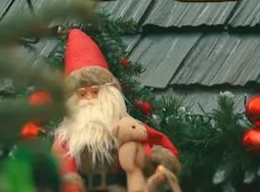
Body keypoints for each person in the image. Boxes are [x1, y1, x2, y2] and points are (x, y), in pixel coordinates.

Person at [53, 30, 179, 192]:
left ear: (109, 93)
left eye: (95, 92)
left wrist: (156, 162)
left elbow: (148, 147)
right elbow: (62, 168)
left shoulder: (125, 129)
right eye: (83, 94)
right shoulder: (67, 139)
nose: (90, 99)